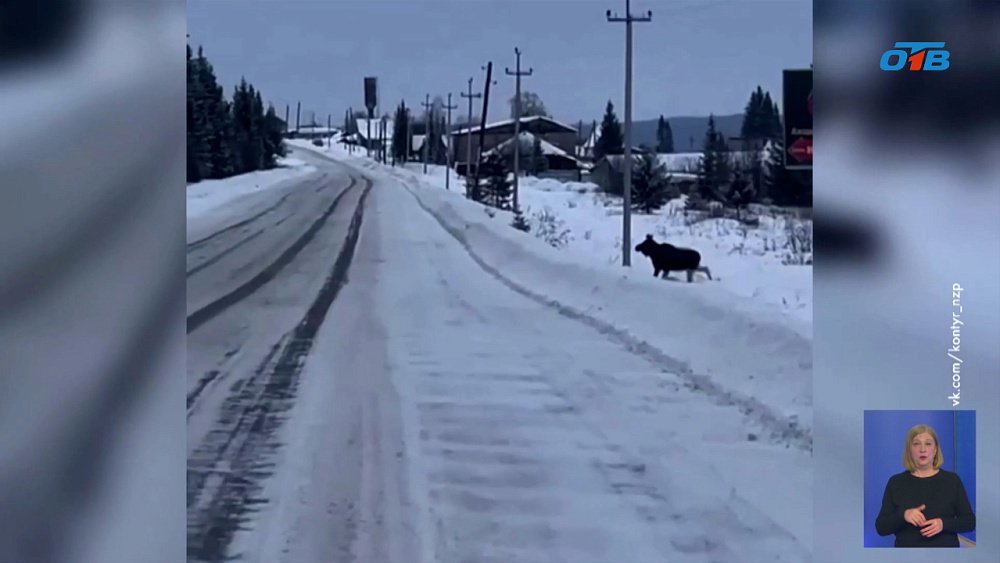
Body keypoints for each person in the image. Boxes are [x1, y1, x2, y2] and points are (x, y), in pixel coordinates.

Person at [875, 424, 975, 547]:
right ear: (909, 450)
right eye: (916, 444)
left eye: (928, 444)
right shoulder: (896, 482)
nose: (923, 449)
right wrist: (904, 515)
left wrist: (943, 524)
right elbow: (881, 527)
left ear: (935, 449)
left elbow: (969, 522)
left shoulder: (952, 480)